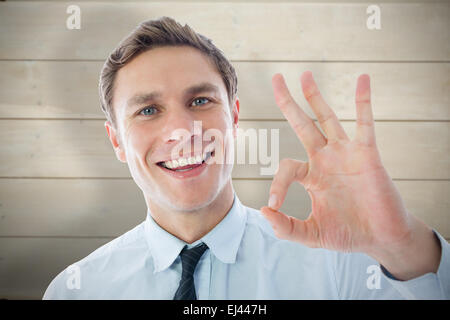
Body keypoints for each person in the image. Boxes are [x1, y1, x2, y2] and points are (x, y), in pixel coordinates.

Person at [43, 16, 449, 299]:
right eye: (148, 110)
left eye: (200, 100)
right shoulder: (76, 290)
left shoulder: (339, 266)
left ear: (234, 116)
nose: (182, 130)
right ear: (116, 141)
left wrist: (401, 244)